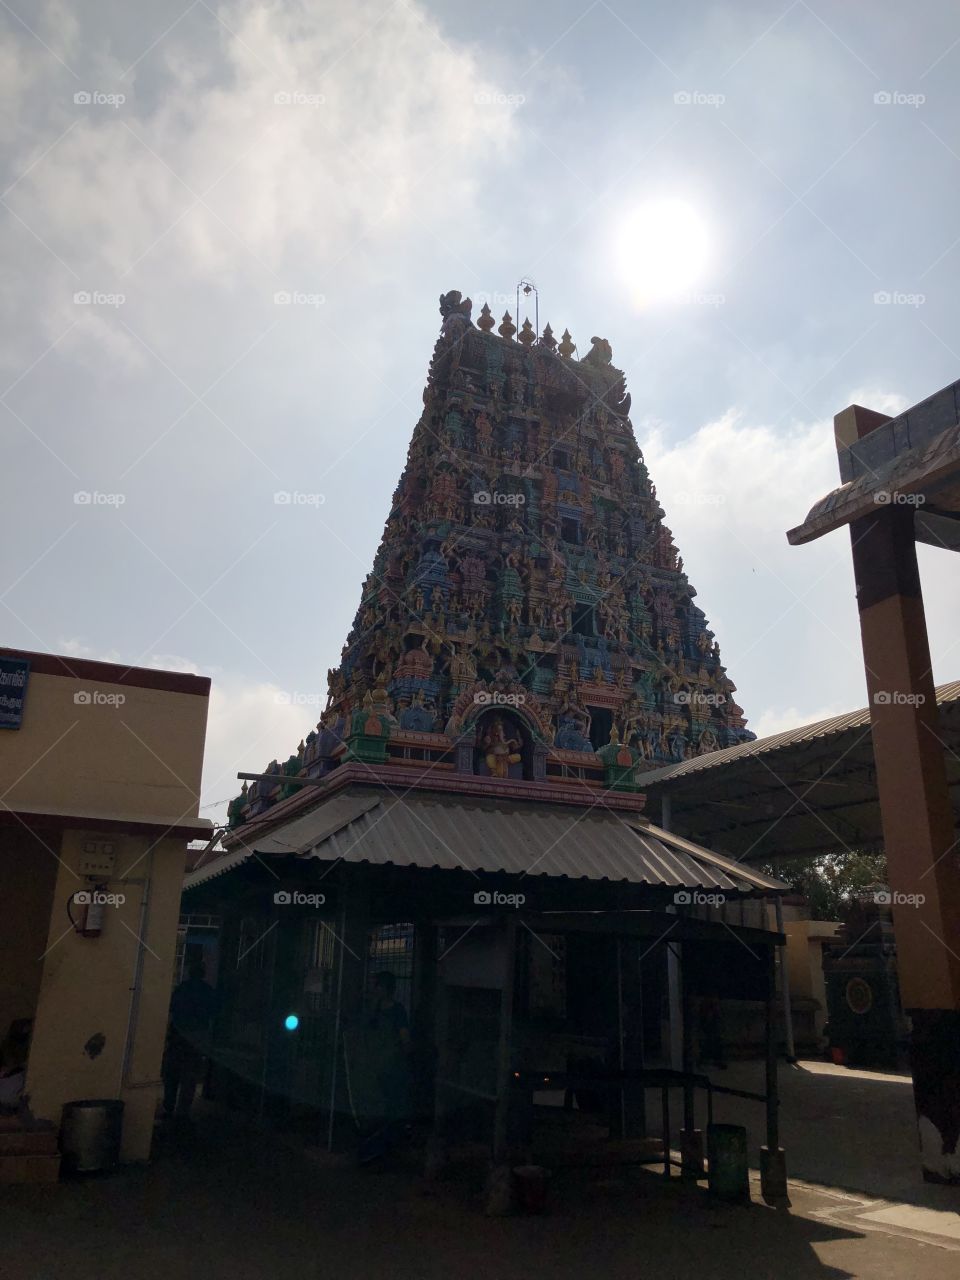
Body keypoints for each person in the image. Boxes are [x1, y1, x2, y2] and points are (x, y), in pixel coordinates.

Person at [357, 971, 411, 1163]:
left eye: (377, 985)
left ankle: (383, 1152)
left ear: (385, 988)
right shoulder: (375, 1010)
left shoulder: (397, 1011)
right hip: (376, 1068)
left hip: (390, 1068)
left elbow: (405, 1040)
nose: (373, 989)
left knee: (387, 1110)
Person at [162, 960, 218, 1119]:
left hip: (179, 1035)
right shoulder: (207, 991)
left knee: (171, 1073)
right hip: (197, 1037)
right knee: (189, 1076)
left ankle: (169, 1106)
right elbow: (214, 1013)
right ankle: (182, 1112)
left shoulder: (182, 989)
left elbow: (172, 1008)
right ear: (203, 973)